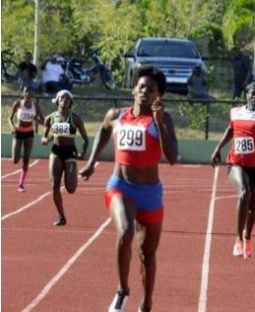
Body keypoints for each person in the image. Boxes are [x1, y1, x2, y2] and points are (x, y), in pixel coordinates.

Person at [79, 66, 178, 312]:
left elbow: (173, 157)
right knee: (125, 232)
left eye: (152, 89)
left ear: (158, 96)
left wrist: (158, 123)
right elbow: (103, 130)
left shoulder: (164, 119)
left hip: (150, 193)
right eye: (142, 87)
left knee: (147, 254)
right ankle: (122, 290)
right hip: (120, 186)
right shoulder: (116, 115)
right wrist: (92, 162)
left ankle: (146, 302)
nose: (145, 92)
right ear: (134, 89)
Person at [211, 81, 255, 259]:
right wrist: (218, 149)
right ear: (246, 95)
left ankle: (247, 237)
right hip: (236, 162)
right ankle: (238, 239)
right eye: (251, 93)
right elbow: (230, 130)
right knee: (244, 194)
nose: (254, 97)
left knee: (253, 208)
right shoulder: (236, 112)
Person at [41, 90, 88, 226]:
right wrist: (46, 139)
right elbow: (46, 136)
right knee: (54, 185)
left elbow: (86, 139)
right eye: (62, 97)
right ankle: (62, 216)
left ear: (71, 102)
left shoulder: (76, 118)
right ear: (57, 100)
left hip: (70, 153)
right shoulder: (50, 118)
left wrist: (82, 152)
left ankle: (70, 180)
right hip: (55, 152)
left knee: (71, 188)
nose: (65, 100)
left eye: (68, 98)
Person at [8, 86, 44, 191]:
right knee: (15, 160)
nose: (28, 94)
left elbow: (43, 120)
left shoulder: (36, 106)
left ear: (32, 94)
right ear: (23, 93)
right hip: (18, 132)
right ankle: (16, 158)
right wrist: (12, 127)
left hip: (29, 133)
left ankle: (21, 184)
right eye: (26, 92)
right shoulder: (18, 104)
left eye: (30, 92)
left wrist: (37, 120)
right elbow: (10, 118)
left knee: (26, 159)